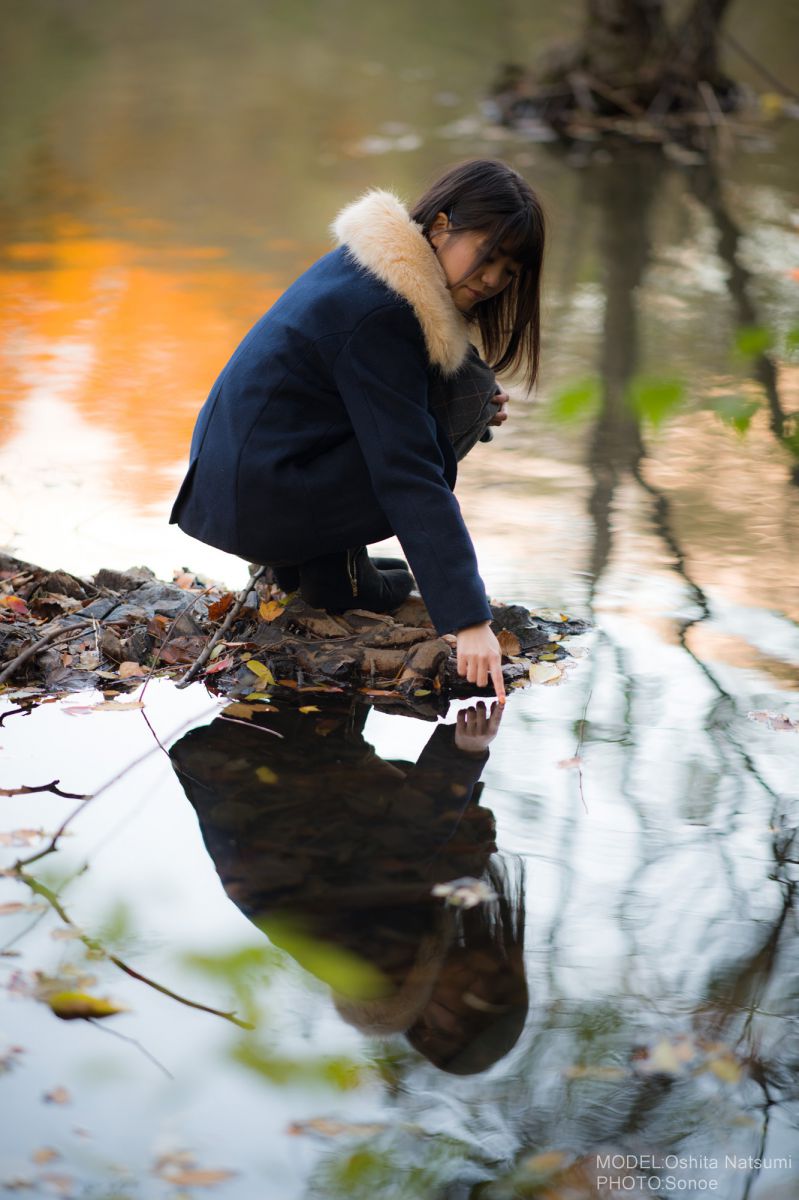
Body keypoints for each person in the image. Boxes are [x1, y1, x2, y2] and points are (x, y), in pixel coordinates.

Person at [170, 158, 545, 701]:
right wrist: (468, 620)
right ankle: (336, 581)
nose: (492, 279)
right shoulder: (383, 313)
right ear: (441, 227)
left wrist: (471, 406)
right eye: (488, 256)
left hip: (238, 488)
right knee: (464, 394)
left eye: (509, 271)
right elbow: (407, 471)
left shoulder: (367, 270)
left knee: (465, 387)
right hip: (259, 504)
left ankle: (310, 569)